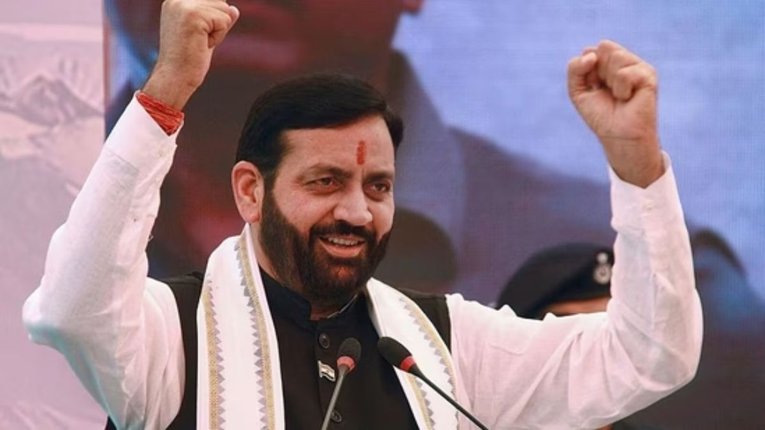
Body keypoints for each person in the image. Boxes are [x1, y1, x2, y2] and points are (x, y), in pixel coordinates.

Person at [24, 0, 702, 428]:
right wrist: (165, 95)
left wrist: (636, 166)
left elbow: (648, 359)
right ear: (250, 192)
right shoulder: (170, 334)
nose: (356, 211)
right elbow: (69, 311)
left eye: (378, 187)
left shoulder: (441, 346)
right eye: (325, 182)